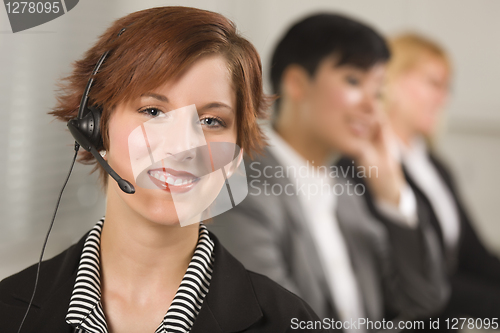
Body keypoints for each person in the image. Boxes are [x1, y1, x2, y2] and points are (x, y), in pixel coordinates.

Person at [0, 7, 328, 333]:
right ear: (96, 129)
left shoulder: (289, 321)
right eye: (154, 111)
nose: (182, 147)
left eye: (211, 121)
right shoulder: (8, 310)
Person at [210, 13, 448, 332]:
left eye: (378, 92)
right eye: (353, 81)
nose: (371, 106)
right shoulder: (237, 187)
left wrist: (394, 195)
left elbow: (425, 300)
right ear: (296, 83)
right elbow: (276, 323)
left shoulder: (349, 192)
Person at [384, 32, 500, 322]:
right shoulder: (366, 169)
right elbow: (405, 274)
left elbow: (473, 255)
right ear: (392, 79)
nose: (444, 97)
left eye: (447, 87)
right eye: (434, 83)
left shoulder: (435, 166)